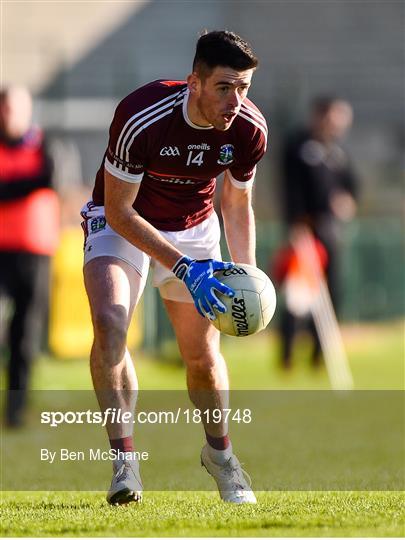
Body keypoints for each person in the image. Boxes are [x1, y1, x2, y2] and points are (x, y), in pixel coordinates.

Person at [81, 30, 267, 505]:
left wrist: (247, 274)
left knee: (202, 359)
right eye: (225, 88)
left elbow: (236, 201)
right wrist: (184, 268)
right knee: (109, 323)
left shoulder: (249, 129)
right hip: (122, 223)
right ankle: (125, 462)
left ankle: (221, 456)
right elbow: (121, 212)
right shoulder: (141, 117)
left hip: (195, 229)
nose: (236, 100)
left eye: (244, 88)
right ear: (194, 83)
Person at [278, 96, 358, 369]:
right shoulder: (299, 146)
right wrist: (296, 224)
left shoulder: (337, 151)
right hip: (305, 230)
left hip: (330, 230)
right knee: (298, 294)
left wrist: (347, 201)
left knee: (331, 291)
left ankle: (319, 354)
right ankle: (287, 354)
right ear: (320, 116)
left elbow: (350, 186)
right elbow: (290, 189)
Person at [0, 86, 59, 426]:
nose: (10, 115)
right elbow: (35, 182)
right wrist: (26, 185)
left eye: (16, 108)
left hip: (35, 249)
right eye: (5, 108)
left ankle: (15, 409)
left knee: (25, 333)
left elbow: (49, 179)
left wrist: (12, 188)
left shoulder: (43, 144)